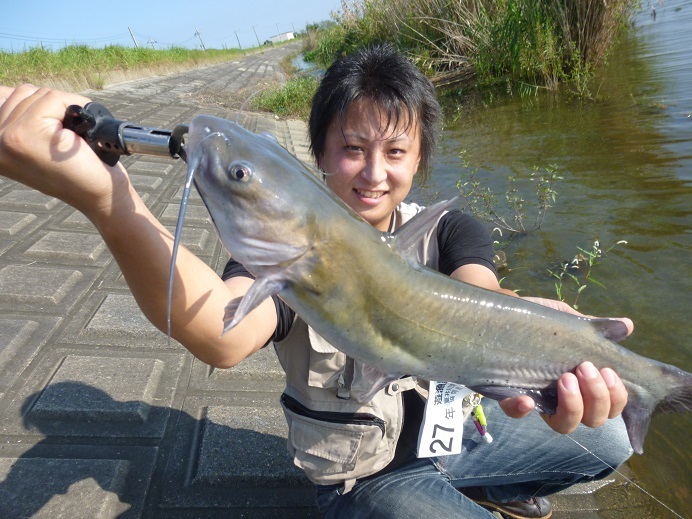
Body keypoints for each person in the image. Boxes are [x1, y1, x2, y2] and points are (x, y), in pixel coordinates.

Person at [0, 45, 633, 518]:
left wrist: (552, 333)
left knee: (608, 436)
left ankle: (491, 482)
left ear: (420, 159)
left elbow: (483, 294)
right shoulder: (288, 250)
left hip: (455, 439)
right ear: (321, 153)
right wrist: (111, 202)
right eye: (353, 149)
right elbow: (221, 332)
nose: (374, 174)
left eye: (395, 152)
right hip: (365, 476)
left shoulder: (448, 228)